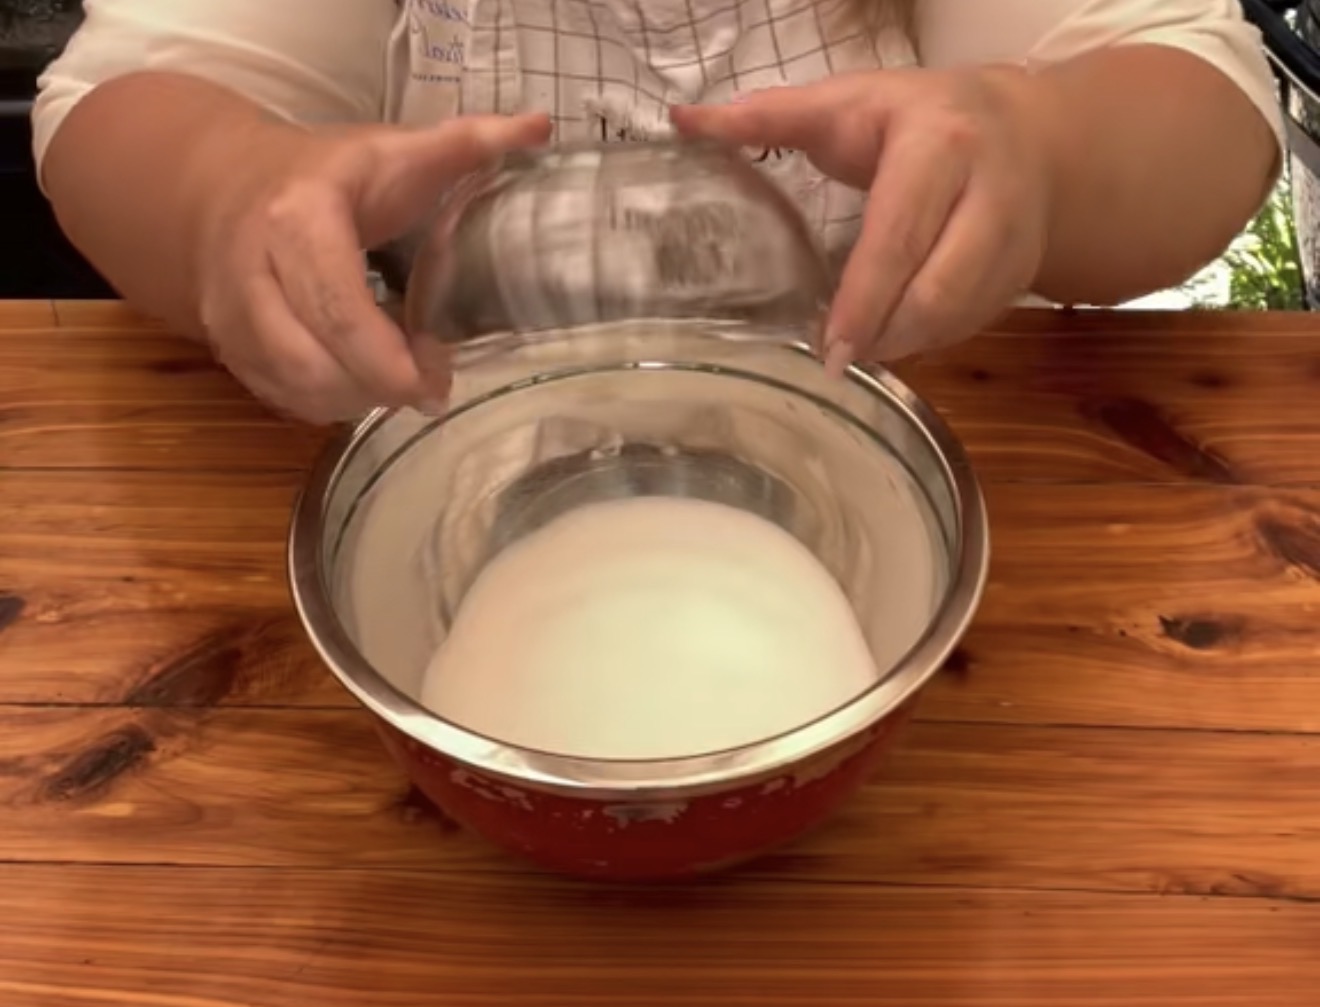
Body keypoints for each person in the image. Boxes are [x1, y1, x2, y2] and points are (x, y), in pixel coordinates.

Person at [34, 0, 1282, 423]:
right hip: (475, 452)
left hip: (903, 445)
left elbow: (1204, 103)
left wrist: (1046, 147)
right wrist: (226, 190)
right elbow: (119, 108)